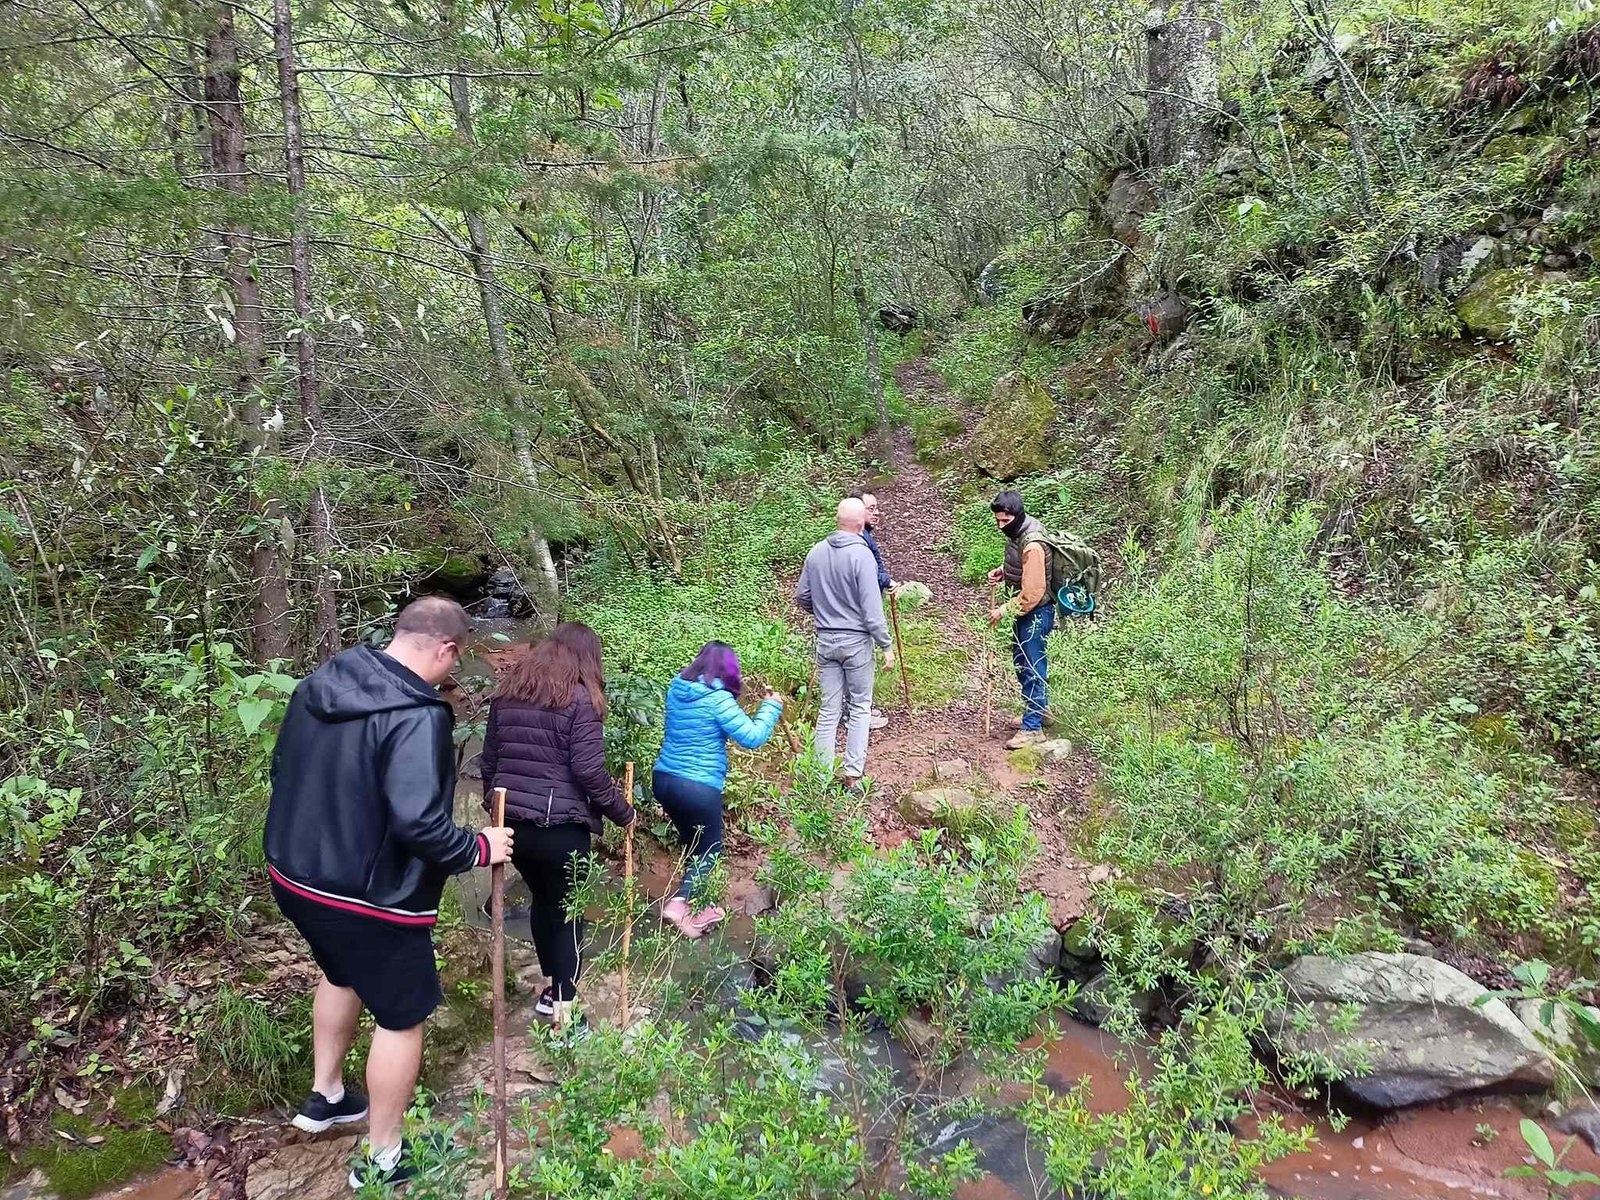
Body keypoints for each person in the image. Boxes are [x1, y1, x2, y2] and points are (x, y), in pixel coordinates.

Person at [264, 596, 513, 1191]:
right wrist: (479, 849)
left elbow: (284, 770)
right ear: (448, 650)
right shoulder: (419, 715)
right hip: (366, 896)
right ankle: (384, 1159)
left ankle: (326, 1097)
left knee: (341, 972)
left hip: (294, 874)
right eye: (457, 661)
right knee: (403, 1016)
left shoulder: (324, 680)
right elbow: (420, 823)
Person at [480, 622, 635, 1031]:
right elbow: (588, 770)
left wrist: (493, 808)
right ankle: (565, 1012)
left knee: (542, 901)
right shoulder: (580, 700)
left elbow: (489, 763)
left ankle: (550, 989)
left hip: (511, 826)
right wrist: (623, 813)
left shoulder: (507, 695)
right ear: (587, 658)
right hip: (559, 825)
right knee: (568, 912)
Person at [652, 641, 783, 938]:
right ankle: (681, 903)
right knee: (709, 849)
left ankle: (701, 908)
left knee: (694, 844)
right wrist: (771, 707)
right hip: (697, 786)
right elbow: (752, 737)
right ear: (729, 671)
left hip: (664, 780)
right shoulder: (719, 699)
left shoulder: (677, 688)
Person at [795, 497, 893, 787]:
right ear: (861, 523)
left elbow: (802, 596)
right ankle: (852, 774)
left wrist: (824, 612)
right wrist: (885, 645)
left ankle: (822, 775)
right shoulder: (862, 555)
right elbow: (872, 610)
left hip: (825, 640)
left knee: (829, 709)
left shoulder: (816, 552)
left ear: (837, 521)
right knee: (861, 706)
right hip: (857, 642)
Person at [986, 490, 1055, 749]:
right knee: (1022, 660)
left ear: (1017, 515)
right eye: (998, 520)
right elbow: (1024, 567)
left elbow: (1034, 592)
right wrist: (1004, 572)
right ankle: (1040, 711)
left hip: (1036, 612)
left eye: (1005, 521)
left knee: (1032, 665)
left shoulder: (1033, 543)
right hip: (1026, 611)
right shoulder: (1019, 533)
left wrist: (1002, 611)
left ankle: (1033, 728)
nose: (1001, 526)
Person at [847, 488, 895, 733]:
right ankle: (858, 712)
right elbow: (869, 570)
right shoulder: (859, 540)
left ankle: (860, 708)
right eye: (871, 508)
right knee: (858, 661)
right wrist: (887, 581)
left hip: (858, 610)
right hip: (858, 612)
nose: (877, 513)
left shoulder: (865, 536)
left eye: (877, 507)